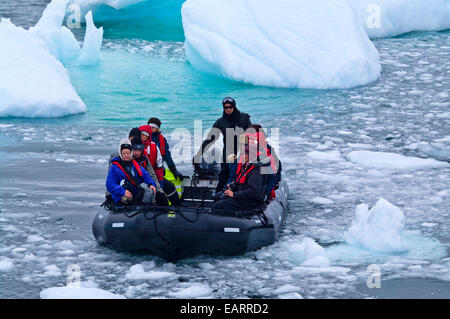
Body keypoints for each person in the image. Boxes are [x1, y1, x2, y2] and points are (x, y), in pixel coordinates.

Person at [193, 97, 252, 192]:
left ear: (234, 107)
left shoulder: (244, 118)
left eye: (230, 107)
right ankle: (218, 200)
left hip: (243, 154)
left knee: (240, 181)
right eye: (226, 107)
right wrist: (198, 154)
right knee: (223, 180)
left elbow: (252, 135)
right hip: (227, 155)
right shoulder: (220, 122)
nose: (228, 109)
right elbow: (209, 140)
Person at [212, 144, 267, 212]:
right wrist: (233, 185)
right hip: (242, 196)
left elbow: (253, 191)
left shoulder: (256, 171)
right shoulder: (247, 166)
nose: (242, 155)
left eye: (245, 154)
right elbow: (241, 181)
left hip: (250, 201)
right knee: (218, 197)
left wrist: (234, 194)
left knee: (218, 205)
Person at [132, 137, 181, 206]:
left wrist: (157, 188)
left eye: (139, 150)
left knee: (164, 193)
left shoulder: (144, 159)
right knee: (146, 191)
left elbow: (151, 174)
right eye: (135, 150)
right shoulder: (129, 160)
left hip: (148, 181)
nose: (137, 153)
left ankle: (176, 207)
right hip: (136, 186)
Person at [106, 138, 157, 205]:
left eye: (128, 153)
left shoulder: (135, 165)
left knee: (147, 190)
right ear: (120, 154)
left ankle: (146, 209)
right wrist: (123, 192)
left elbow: (146, 175)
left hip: (135, 192)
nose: (126, 156)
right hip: (121, 195)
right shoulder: (114, 167)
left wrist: (151, 184)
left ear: (131, 153)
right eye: (124, 153)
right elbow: (110, 184)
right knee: (127, 198)